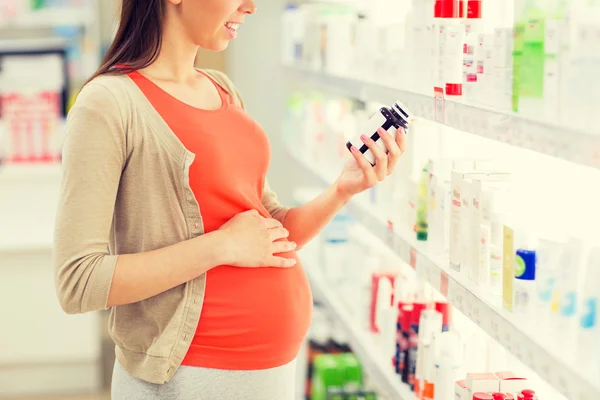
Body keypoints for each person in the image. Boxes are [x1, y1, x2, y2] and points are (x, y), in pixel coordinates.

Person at [53, 0, 406, 399]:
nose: (251, 6)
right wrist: (220, 247)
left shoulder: (222, 90)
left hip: (270, 373)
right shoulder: (108, 102)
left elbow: (268, 230)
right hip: (191, 378)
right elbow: (79, 281)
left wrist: (343, 189)